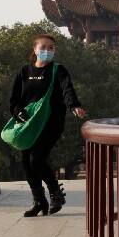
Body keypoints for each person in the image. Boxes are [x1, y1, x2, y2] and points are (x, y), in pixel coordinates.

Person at [9, 34, 87, 217]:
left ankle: (55, 193)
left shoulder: (58, 70)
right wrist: (18, 112)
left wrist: (74, 105)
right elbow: (14, 100)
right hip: (28, 124)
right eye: (43, 47)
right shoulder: (24, 72)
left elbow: (68, 89)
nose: (47, 51)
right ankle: (39, 202)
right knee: (26, 163)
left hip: (51, 122)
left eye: (51, 48)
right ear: (35, 50)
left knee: (37, 159)